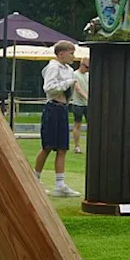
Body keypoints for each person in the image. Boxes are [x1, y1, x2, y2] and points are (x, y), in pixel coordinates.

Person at [34, 41, 80, 197]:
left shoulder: (69, 70)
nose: (74, 56)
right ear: (61, 54)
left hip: (63, 109)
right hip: (52, 108)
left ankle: (60, 185)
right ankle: (35, 180)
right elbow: (49, 88)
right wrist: (68, 83)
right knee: (47, 146)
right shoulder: (53, 67)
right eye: (71, 53)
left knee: (62, 147)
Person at [70, 58, 90, 154]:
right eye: (86, 67)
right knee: (77, 124)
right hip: (78, 103)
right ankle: (77, 146)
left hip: (88, 104)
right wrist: (87, 97)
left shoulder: (88, 75)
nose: (88, 69)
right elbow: (78, 89)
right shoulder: (74, 74)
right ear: (81, 65)